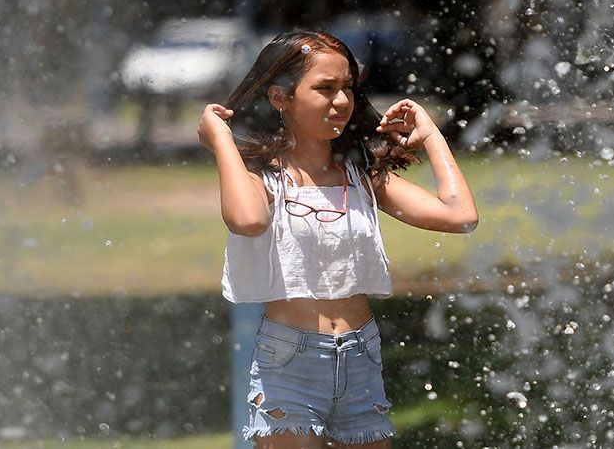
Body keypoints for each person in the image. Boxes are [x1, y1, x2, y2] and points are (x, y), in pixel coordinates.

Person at [197, 30, 479, 448]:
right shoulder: (264, 178)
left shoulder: (362, 177)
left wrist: (432, 136)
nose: (342, 101)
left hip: (361, 354)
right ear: (280, 97)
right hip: (289, 361)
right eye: (325, 88)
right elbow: (249, 220)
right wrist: (222, 140)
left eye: (348, 87)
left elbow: (461, 217)